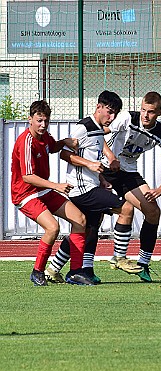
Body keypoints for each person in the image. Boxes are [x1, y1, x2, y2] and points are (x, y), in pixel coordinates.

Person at [44, 90, 140, 285]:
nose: (111, 117)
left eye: (115, 114)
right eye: (109, 112)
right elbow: (63, 154)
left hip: (92, 185)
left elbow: (95, 149)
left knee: (88, 228)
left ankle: (58, 269)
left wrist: (102, 177)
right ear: (98, 107)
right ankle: (119, 257)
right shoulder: (84, 127)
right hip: (81, 190)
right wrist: (89, 165)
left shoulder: (97, 128)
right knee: (127, 208)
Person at [101, 91, 161, 282]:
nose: (146, 115)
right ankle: (83, 267)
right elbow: (99, 135)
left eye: (151, 112)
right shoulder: (127, 118)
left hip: (127, 172)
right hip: (104, 167)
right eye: (144, 110)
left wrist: (160, 189)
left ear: (160, 112)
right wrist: (110, 157)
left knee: (153, 212)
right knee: (91, 217)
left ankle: (143, 264)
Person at [11, 100, 89, 286]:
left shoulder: (44, 136)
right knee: (53, 228)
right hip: (25, 194)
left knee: (80, 219)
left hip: (43, 190)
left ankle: (75, 272)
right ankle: (37, 271)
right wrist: (55, 185)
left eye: (46, 121)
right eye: (39, 120)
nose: (43, 125)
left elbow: (52, 147)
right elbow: (28, 176)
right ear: (30, 119)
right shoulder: (26, 142)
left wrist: (64, 142)